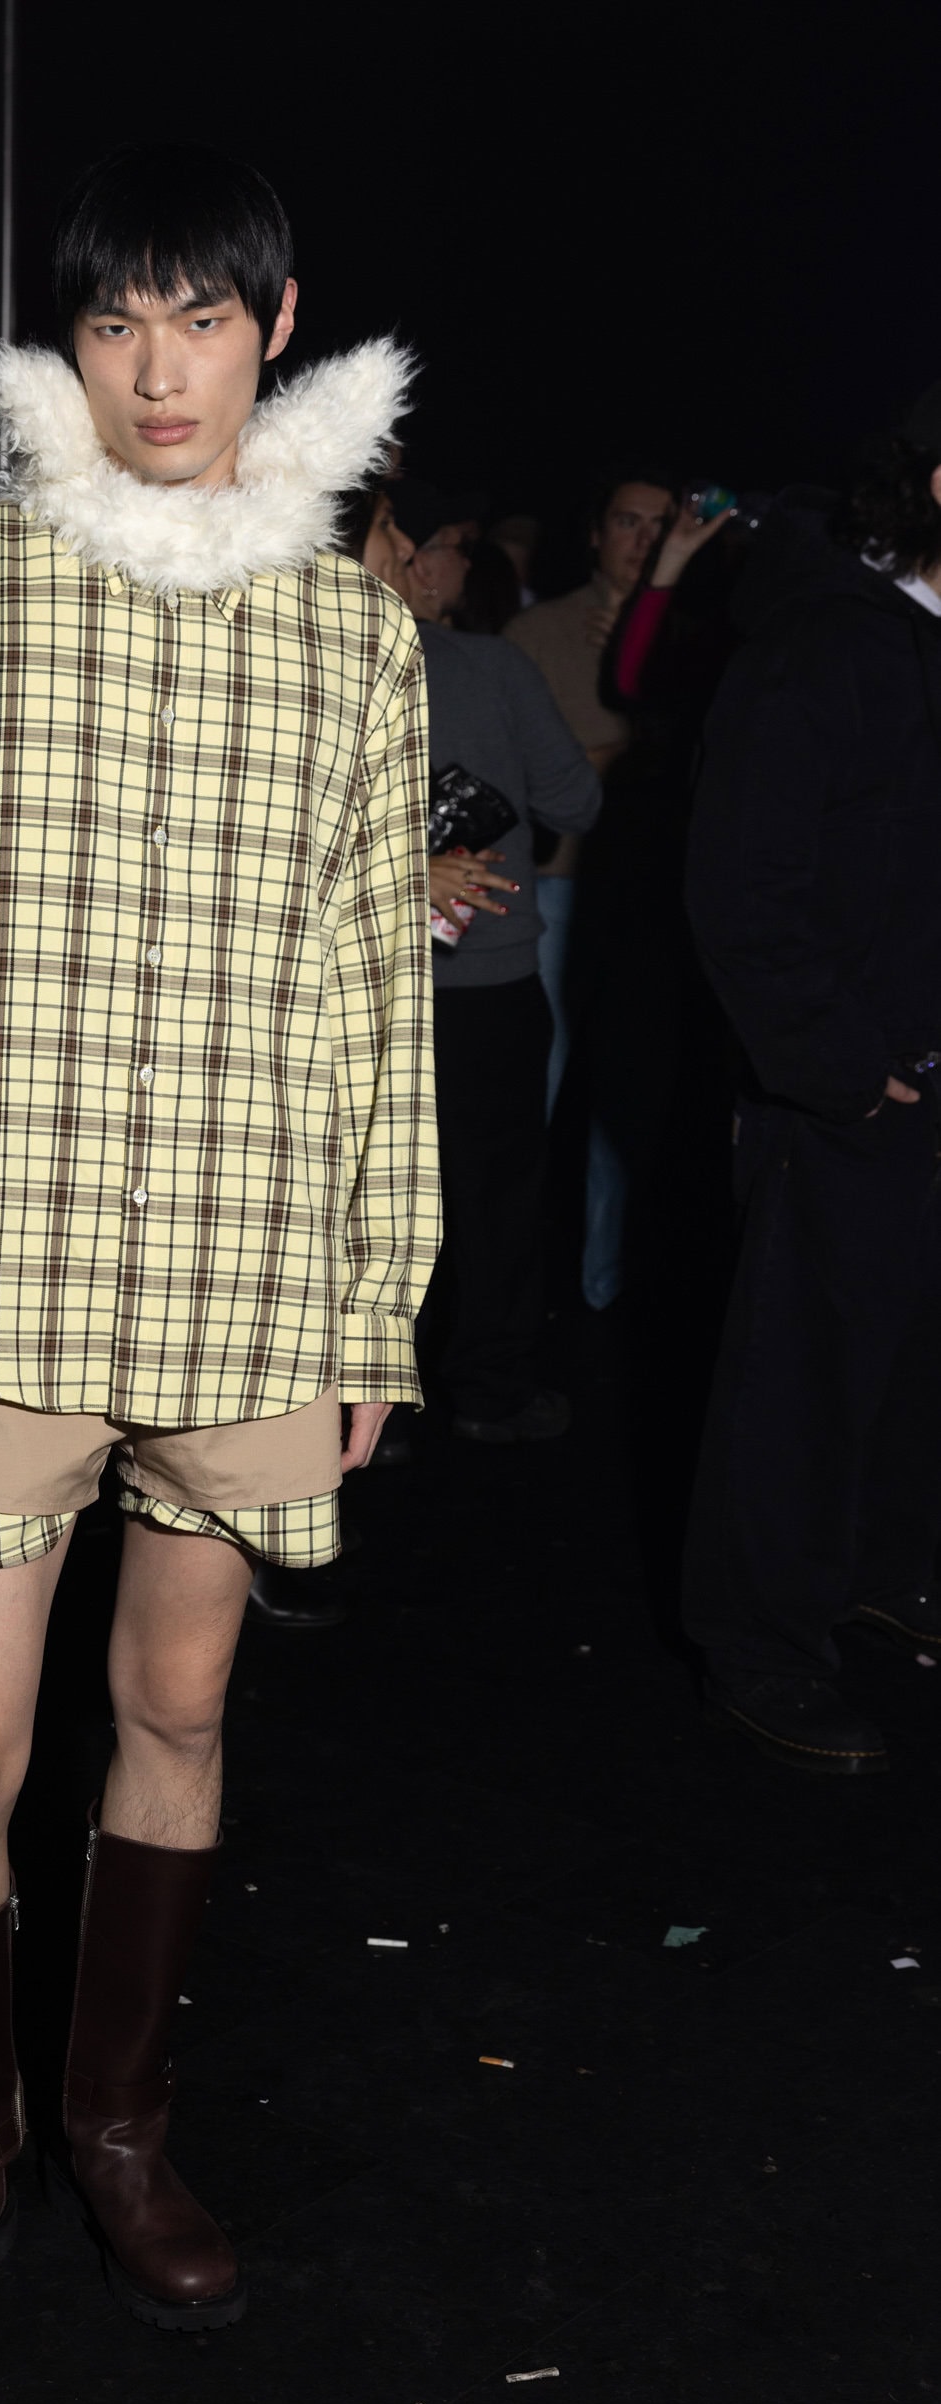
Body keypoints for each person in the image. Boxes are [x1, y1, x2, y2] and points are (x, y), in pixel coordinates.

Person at [0, 141, 436, 2373]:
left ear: (277, 324)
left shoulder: (356, 634)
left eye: (199, 318)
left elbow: (371, 998)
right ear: (61, 342)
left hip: (252, 1278)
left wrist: (376, 1307)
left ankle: (121, 2126)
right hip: (2, 1268)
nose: (156, 370)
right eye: (109, 322)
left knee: (173, 1710)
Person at [681, 386, 941, 1774]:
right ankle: (759, 1648)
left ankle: (882, 1574)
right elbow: (739, 886)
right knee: (797, 1380)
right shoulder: (827, 641)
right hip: (841, 1094)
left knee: (906, 1370)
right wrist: (836, 1068)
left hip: (918, 1087)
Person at [359, 478, 599, 1441]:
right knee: (496, 1196)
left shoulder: (307, 664)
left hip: (365, 987)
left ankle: (374, 1410)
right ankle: (491, 1390)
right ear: (414, 564)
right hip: (484, 982)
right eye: (453, 544)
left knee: (368, 1198)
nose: (468, 561)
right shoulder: (491, 668)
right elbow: (576, 802)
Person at [506, 469, 675, 1304]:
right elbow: (525, 776)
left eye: (657, 524)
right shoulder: (539, 630)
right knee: (534, 1090)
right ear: (595, 532)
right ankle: (509, 1288)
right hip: (557, 886)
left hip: (649, 895)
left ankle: (603, 1288)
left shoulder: (692, 636)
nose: (640, 539)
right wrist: (630, 746)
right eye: (625, 521)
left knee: (628, 1101)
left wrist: (654, 670)